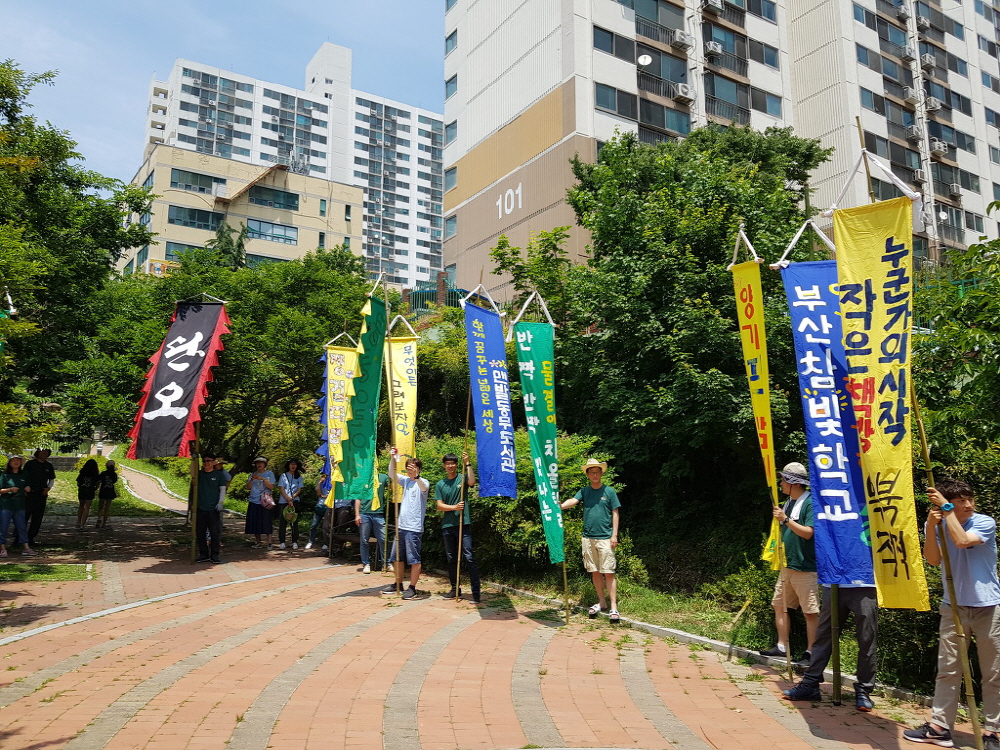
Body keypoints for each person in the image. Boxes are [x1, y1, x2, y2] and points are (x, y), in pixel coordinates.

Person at [903, 479, 1000, 749]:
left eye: (970, 499)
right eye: (960, 501)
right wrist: (932, 526)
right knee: (948, 670)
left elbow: (962, 541)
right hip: (953, 606)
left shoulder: (984, 522)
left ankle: (993, 731)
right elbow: (933, 560)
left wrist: (947, 512)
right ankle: (939, 726)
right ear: (946, 503)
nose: (968, 505)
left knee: (993, 672)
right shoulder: (937, 522)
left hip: (988, 607)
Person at [759, 462, 818, 668]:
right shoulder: (789, 503)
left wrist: (785, 520)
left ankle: (812, 652)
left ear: (794, 483)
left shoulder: (810, 502)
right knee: (780, 605)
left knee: (810, 611)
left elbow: (809, 532)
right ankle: (782, 646)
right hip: (787, 564)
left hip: (806, 566)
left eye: (784, 480)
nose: (781, 483)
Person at [560, 458, 621, 623]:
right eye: (591, 472)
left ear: (601, 473)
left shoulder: (609, 492)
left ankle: (614, 606)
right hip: (588, 538)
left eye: (597, 471)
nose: (595, 474)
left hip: (606, 538)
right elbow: (573, 501)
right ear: (587, 474)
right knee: (595, 571)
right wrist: (561, 506)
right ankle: (602, 602)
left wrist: (614, 535)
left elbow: (615, 513)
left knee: (609, 572)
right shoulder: (584, 491)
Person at [382, 448, 428, 600]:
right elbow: (391, 473)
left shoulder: (422, 482)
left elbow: (424, 487)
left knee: (414, 559)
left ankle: (412, 588)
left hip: (413, 528)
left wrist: (417, 476)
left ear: (419, 469)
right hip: (401, 526)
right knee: (397, 557)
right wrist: (393, 458)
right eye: (409, 467)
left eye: (414, 467)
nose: (411, 470)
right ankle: (398, 583)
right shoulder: (406, 481)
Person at [436, 451, 480, 602]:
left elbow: (472, 482)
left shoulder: (462, 478)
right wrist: (454, 507)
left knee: (469, 556)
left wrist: (467, 462)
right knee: (451, 558)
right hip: (448, 525)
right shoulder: (440, 484)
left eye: (453, 463)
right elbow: (439, 505)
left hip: (463, 523)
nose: (450, 466)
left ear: (456, 465)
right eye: (447, 463)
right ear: (444, 466)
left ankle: (476, 592)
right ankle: (455, 589)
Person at [191, 453, 226, 563]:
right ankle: (204, 554)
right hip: (200, 508)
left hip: (213, 509)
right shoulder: (199, 475)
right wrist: (194, 459)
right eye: (204, 461)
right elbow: (191, 473)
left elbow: (222, 489)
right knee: (200, 533)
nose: (206, 463)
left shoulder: (219, 475)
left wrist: (220, 502)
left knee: (215, 533)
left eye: (209, 461)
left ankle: (214, 555)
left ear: (214, 462)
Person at [0, 455, 36, 557]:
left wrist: (27, 488)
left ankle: (26, 548)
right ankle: (2, 548)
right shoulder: (5, 475)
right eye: (13, 460)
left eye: (18, 461)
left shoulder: (24, 474)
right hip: (6, 505)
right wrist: (10, 489)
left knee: (21, 526)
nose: (16, 462)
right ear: (10, 463)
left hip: (19, 505)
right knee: (3, 527)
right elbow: (0, 490)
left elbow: (27, 486)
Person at [354, 472, 389, 574]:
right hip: (364, 513)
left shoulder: (383, 477)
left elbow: (393, 487)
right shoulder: (363, 477)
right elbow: (358, 498)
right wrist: (357, 514)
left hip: (378, 513)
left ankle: (385, 563)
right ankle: (366, 563)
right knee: (364, 540)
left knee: (383, 538)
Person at [24, 449, 55, 545]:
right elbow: (24, 476)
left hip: (41, 494)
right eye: (42, 452)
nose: (44, 454)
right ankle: (18, 537)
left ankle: (30, 538)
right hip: (29, 493)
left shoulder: (49, 466)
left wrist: (48, 488)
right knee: (24, 515)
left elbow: (52, 479)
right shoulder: (30, 464)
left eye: (46, 453)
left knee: (37, 517)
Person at [245, 457, 275, 549]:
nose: (259, 464)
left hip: (265, 501)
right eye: (257, 463)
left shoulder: (269, 474)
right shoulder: (252, 474)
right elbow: (248, 487)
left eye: (261, 463)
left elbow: (271, 487)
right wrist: (252, 479)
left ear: (265, 464)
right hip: (254, 500)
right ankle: (258, 542)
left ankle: (269, 542)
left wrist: (262, 479)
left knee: (266, 521)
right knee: (255, 521)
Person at [277, 459, 303, 550]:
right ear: (288, 465)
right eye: (291, 464)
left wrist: (292, 497)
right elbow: (281, 488)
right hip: (283, 501)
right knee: (282, 522)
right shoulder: (283, 476)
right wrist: (287, 499)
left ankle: (295, 541)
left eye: (295, 464)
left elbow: (299, 489)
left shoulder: (299, 476)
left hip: (294, 501)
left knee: (294, 522)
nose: (293, 466)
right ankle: (282, 542)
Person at [306, 474, 329, 551]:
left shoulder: (332, 483)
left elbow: (331, 496)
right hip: (320, 506)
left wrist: (324, 496)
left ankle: (326, 543)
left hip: (328, 507)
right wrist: (320, 483)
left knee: (326, 526)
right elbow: (318, 494)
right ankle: (310, 541)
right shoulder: (320, 483)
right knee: (314, 525)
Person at [75, 459, 100, 531]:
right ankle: (82, 525)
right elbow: (97, 484)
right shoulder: (95, 475)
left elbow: (78, 483)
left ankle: (78, 522)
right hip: (90, 491)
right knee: (87, 508)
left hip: (82, 491)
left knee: (81, 506)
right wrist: (94, 488)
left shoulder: (82, 473)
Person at [94, 460, 119, 530]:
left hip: (103, 491)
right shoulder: (114, 474)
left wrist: (96, 488)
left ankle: (99, 518)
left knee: (100, 507)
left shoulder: (103, 473)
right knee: (107, 508)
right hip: (110, 491)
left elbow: (99, 481)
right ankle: (103, 524)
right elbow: (114, 481)